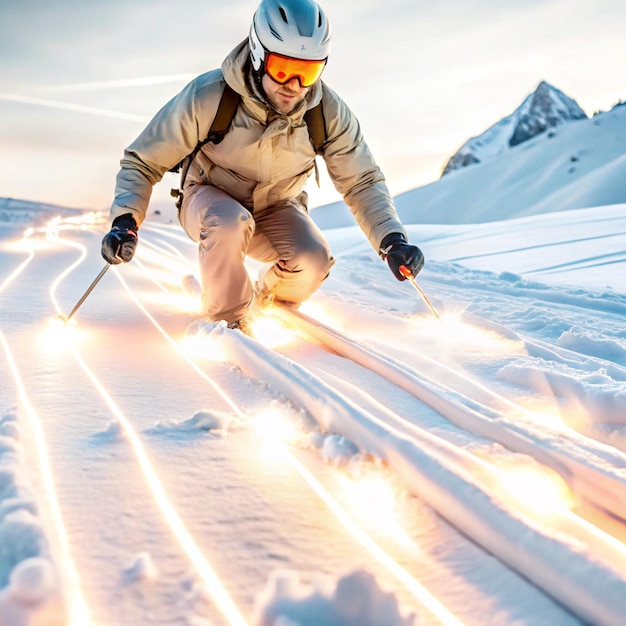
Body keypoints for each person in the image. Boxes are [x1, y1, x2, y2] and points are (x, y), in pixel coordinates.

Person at [101, 0, 424, 329]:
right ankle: (228, 323)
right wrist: (126, 220)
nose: (294, 85)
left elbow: (361, 181)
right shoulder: (209, 96)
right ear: (258, 54)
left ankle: (267, 300)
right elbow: (142, 161)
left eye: (308, 72)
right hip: (208, 197)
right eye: (283, 68)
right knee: (229, 222)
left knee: (313, 260)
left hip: (277, 204)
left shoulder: (326, 112)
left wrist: (391, 239)